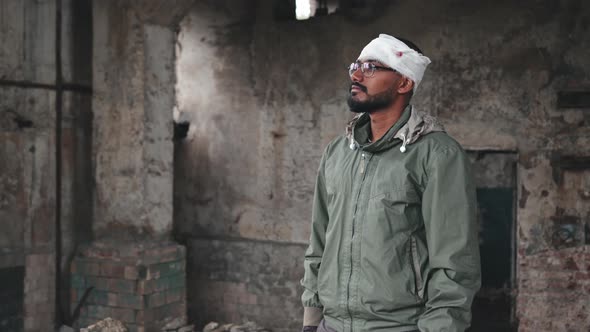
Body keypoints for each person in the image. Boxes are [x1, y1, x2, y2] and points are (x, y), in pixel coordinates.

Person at [300, 34, 481, 332]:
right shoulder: (337, 152)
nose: (356, 75)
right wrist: (311, 319)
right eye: (355, 66)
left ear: (404, 83)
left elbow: (455, 262)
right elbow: (318, 241)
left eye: (371, 67)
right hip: (330, 326)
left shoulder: (437, 154)